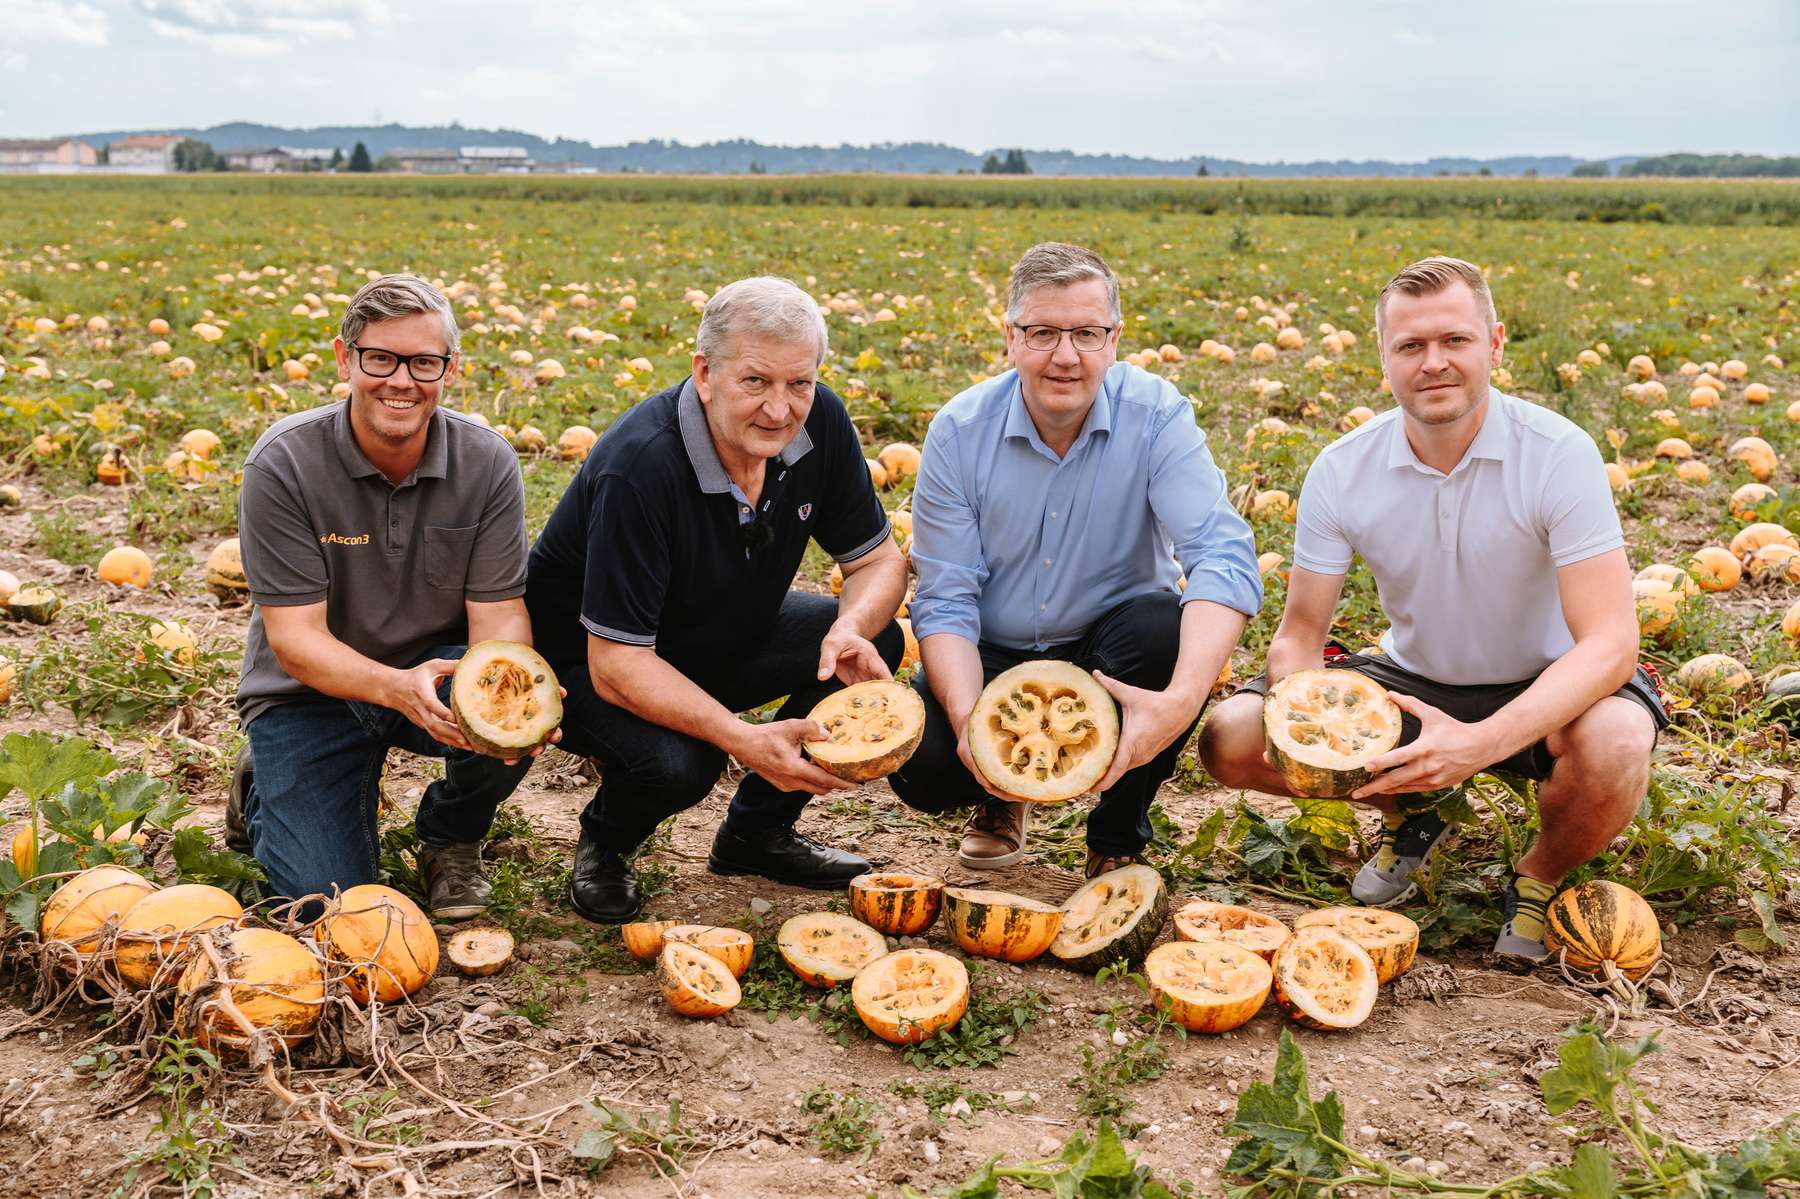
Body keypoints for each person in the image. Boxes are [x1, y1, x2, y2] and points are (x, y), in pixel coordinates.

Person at [1197, 255, 1667, 965]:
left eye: (1455, 340)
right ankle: (1414, 808)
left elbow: (1609, 643)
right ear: (1384, 359)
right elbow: (1300, 635)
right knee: (1233, 736)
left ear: (1495, 344)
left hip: (1548, 683)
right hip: (1411, 680)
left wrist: (1479, 743)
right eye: (1411, 345)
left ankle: (1539, 875)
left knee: (1619, 740)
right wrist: (1306, 725)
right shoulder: (1342, 468)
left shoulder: (1558, 454)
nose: (1433, 362)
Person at [526, 276, 908, 924]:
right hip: (585, 664)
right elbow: (617, 664)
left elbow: (876, 563)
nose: (780, 410)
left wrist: (851, 626)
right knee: (684, 763)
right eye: (755, 381)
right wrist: (741, 738)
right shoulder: (640, 465)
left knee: (879, 637)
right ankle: (606, 843)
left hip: (716, 630)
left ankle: (756, 833)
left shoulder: (820, 422)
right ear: (705, 373)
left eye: (799, 383)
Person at [887, 242, 1262, 878]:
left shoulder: (1157, 415)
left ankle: (1117, 832)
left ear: (1114, 339)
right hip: (992, 652)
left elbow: (1222, 555)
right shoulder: (958, 432)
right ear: (1011, 338)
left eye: (1087, 333)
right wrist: (972, 721)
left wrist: (1181, 700)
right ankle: (998, 797)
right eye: (1043, 333)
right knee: (926, 769)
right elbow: (946, 597)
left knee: (1167, 630)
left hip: (1110, 650)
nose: (1066, 356)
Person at [227, 273, 556, 921]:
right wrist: (395, 688)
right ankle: (262, 787)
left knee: (519, 694)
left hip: (434, 671)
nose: (401, 381)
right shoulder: (285, 463)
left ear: (450, 369)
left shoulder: (488, 462)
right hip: (308, 692)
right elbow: (295, 639)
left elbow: (499, 617)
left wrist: (508, 704)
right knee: (322, 907)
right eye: (380, 358)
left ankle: (451, 835)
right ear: (345, 358)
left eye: (423, 363)